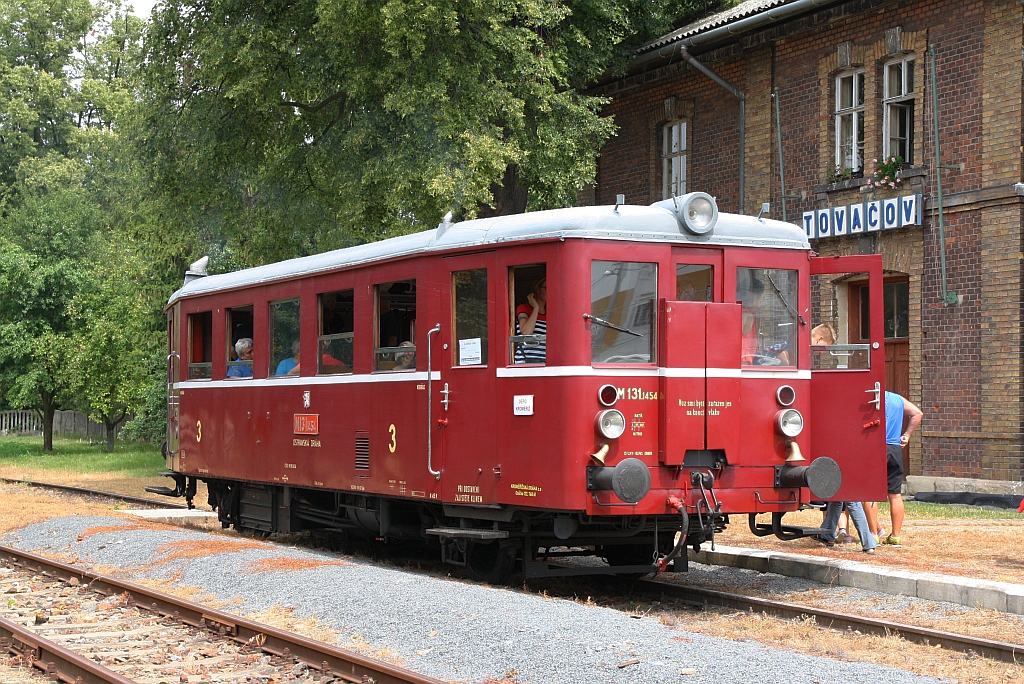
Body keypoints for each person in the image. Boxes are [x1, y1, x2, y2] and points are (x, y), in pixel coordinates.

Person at [872, 391, 923, 547]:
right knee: (895, 494)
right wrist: (907, 434)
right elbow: (917, 413)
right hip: (894, 448)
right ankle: (895, 535)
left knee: (870, 493)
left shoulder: (870, 396)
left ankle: (873, 534)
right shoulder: (897, 399)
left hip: (875, 447)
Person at [514, 278, 546, 364]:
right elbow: (526, 332)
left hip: (545, 362)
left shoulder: (551, 313)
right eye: (546, 288)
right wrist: (536, 308)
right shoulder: (524, 308)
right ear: (537, 289)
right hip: (525, 361)